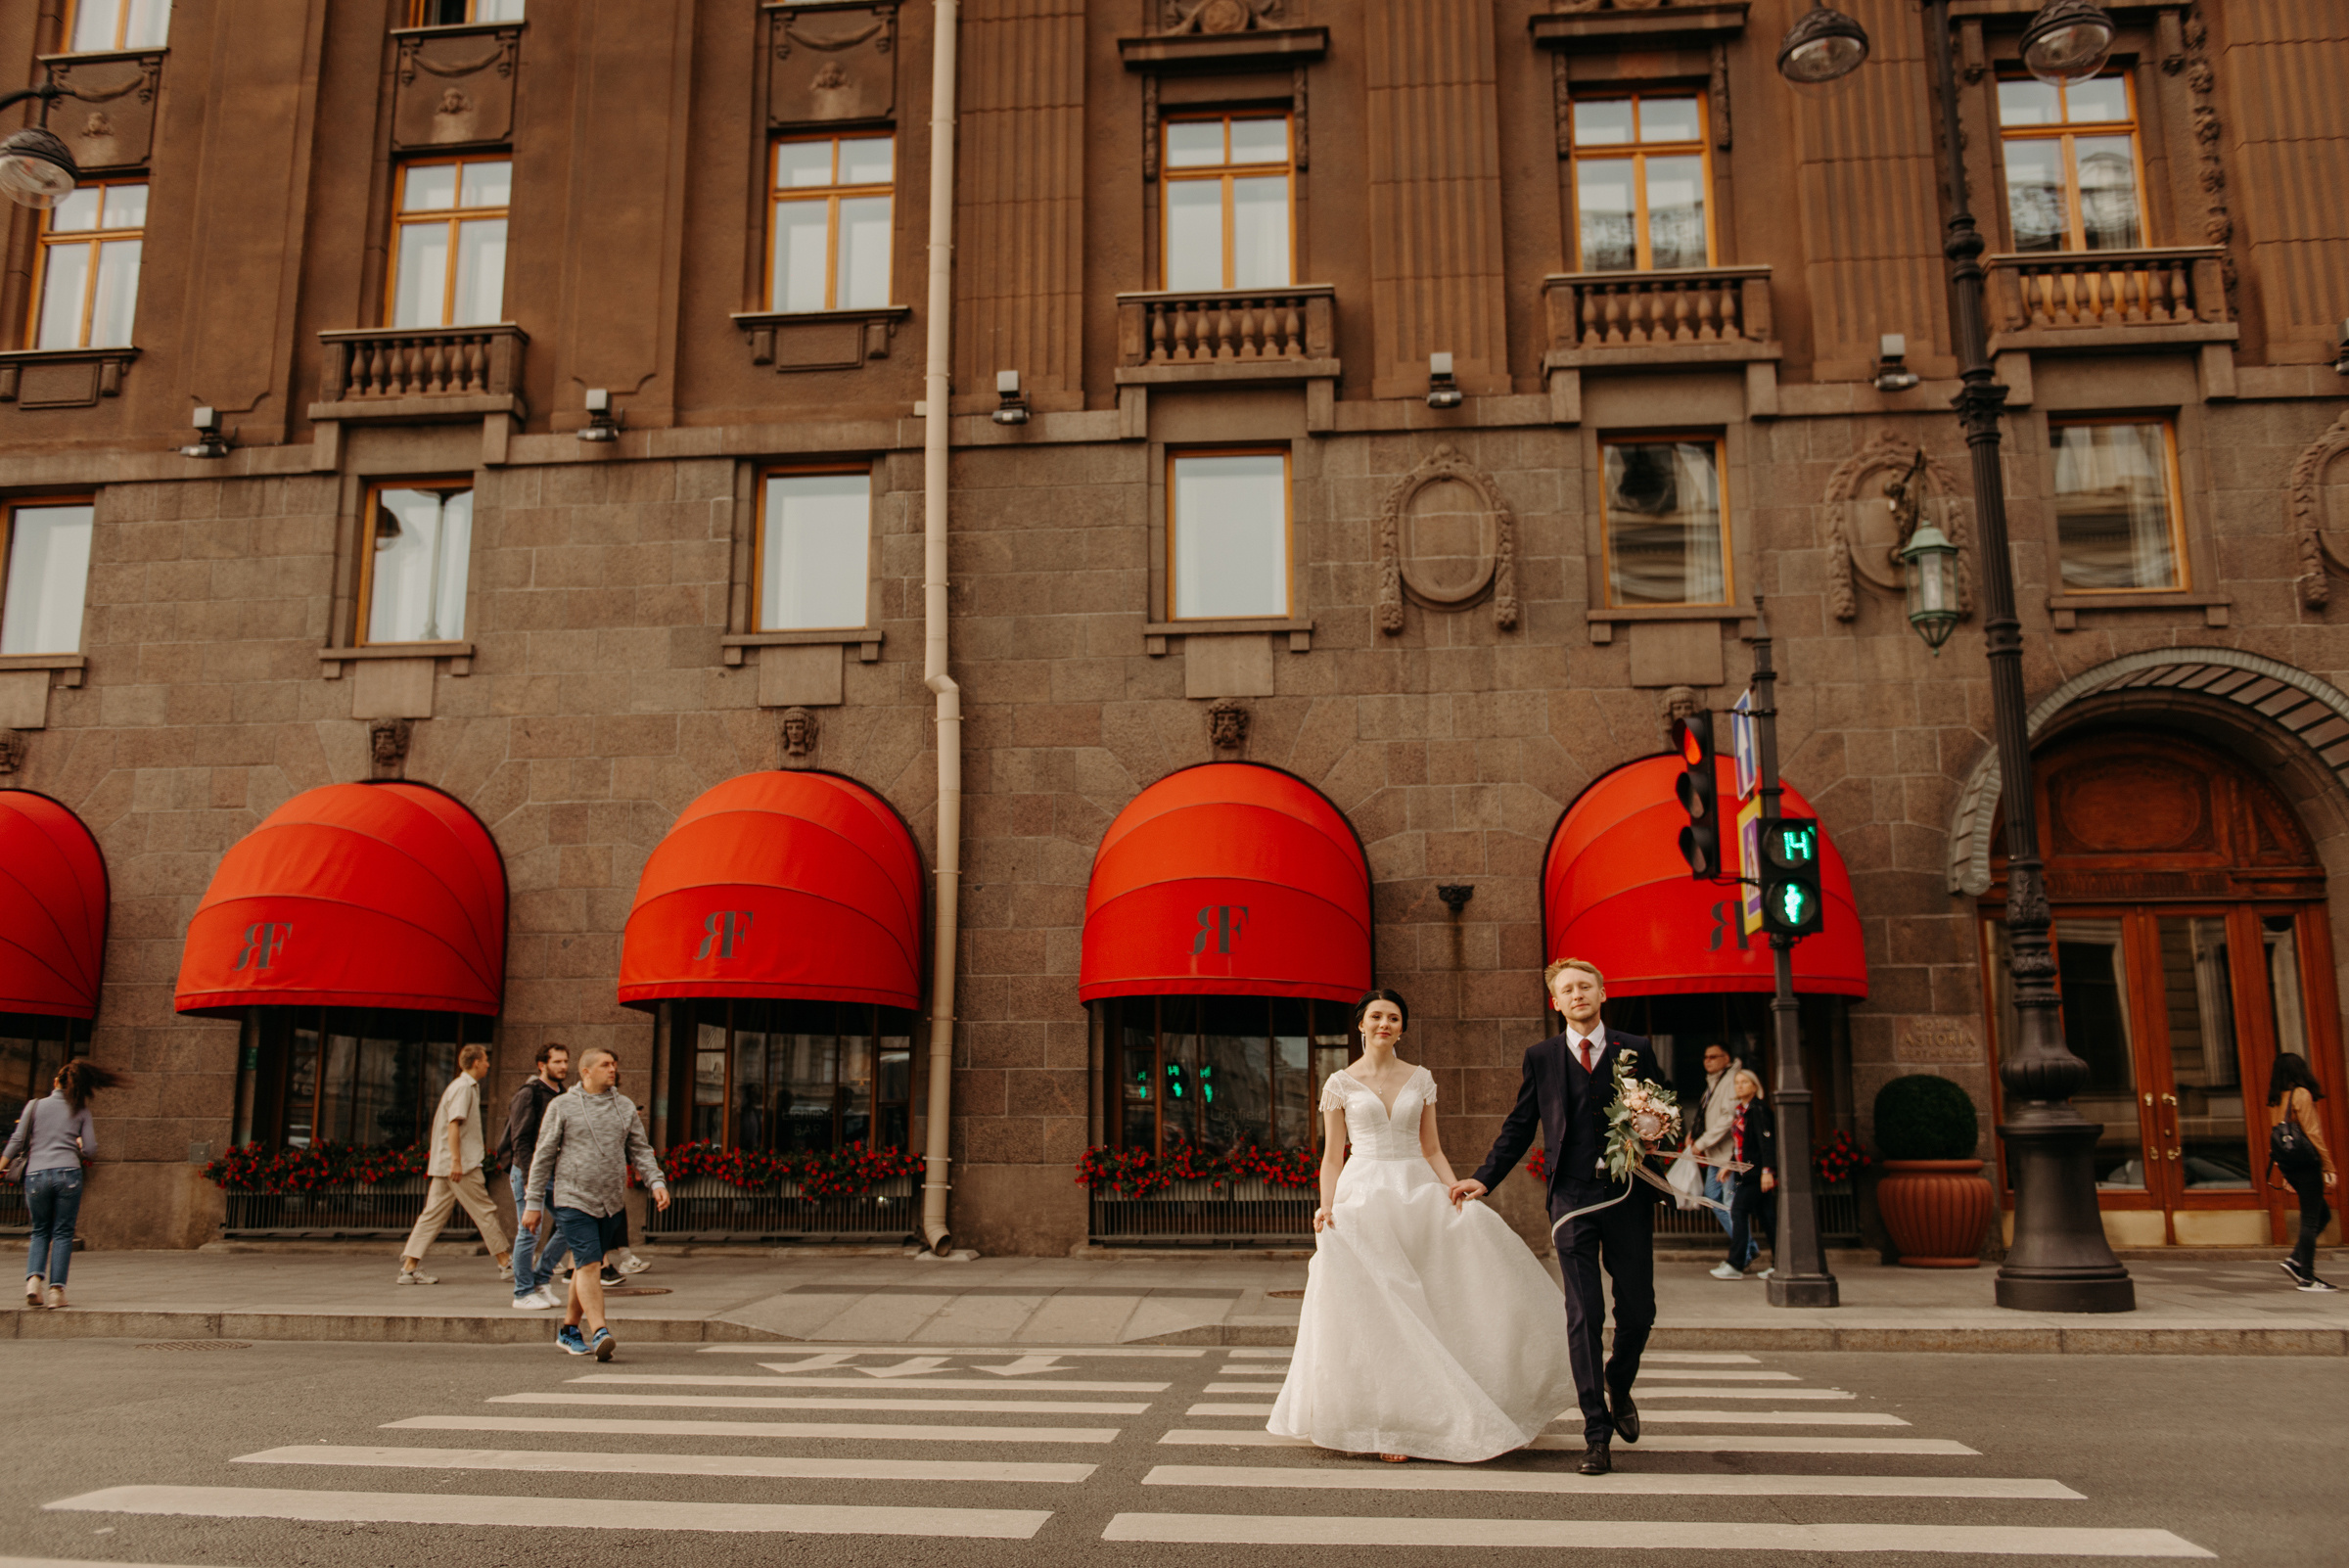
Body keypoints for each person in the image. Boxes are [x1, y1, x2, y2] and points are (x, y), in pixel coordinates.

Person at [1266, 990, 1578, 1464]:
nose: (1385, 1024)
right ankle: (1389, 1420)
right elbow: (1332, 1157)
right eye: (1377, 1016)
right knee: (1381, 1307)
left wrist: (1454, 1189)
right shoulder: (1339, 1083)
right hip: (1364, 1194)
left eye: (1393, 1017)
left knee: (1430, 1299)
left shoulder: (1422, 1078)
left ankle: (1434, 1411)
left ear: (1402, 1028)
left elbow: (1431, 1148)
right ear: (1361, 1025)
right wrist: (1326, 1207)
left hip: (1416, 1190)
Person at [1450, 958, 1663, 1477]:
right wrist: (1485, 1176)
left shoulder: (1635, 1049)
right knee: (1583, 1314)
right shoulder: (1542, 1057)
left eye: (1585, 986)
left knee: (1637, 1311)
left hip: (1627, 1194)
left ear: (1602, 992)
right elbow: (1521, 1123)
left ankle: (1620, 1379)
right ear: (1556, 1002)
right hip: (1570, 1199)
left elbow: (1665, 1108)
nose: (1576, 995)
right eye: (1566, 989)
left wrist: (1657, 1129)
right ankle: (1596, 1434)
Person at [523, 1045, 670, 1360]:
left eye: (614, 1064)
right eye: (605, 1065)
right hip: (572, 1199)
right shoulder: (563, 1106)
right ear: (586, 1071)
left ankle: (569, 1330)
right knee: (590, 1264)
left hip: (611, 1201)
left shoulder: (625, 1106)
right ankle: (601, 1330)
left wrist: (655, 1181)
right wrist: (533, 1202)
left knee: (582, 1265)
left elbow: (640, 1149)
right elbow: (543, 1156)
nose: (612, 1069)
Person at [5, 1060, 127, 1310]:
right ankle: (56, 1292)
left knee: (40, 1230)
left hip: (36, 1175)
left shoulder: (35, 1105)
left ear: (56, 1082)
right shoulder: (81, 1110)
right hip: (68, 1174)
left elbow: (18, 1139)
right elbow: (91, 1149)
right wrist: (78, 1144)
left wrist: (2, 1164)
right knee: (62, 1232)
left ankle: (33, 1281)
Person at [399, 1043, 513, 1286]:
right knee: (485, 1211)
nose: (488, 1065)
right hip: (461, 1166)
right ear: (475, 1063)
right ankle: (505, 1263)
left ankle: (409, 1268)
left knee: (431, 1216)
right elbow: (454, 1125)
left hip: (447, 1164)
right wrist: (457, 1162)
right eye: (485, 1060)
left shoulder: (461, 1086)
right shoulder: (463, 1088)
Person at [499, 1041, 572, 1310]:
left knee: (569, 1224)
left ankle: (541, 1280)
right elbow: (520, 1140)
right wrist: (531, 1178)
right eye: (557, 1062)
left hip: (553, 1172)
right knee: (529, 1230)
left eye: (565, 1061)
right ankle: (522, 1292)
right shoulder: (528, 1094)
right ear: (542, 1065)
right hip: (528, 1172)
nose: (563, 1066)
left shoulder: (562, 1095)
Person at [2267, 1053, 2338, 1292]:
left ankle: (2296, 1260)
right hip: (2307, 1164)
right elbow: (2313, 1133)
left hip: (2289, 1165)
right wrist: (2328, 1166)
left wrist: (2286, 1175)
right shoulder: (2301, 1094)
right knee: (2311, 1218)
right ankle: (2307, 1277)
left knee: (2323, 1213)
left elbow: (2279, 1139)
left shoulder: (2276, 1099)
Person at [1712, 1068, 1776, 1280]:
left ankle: (1736, 1263)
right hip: (1747, 1173)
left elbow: (1766, 1142)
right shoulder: (1743, 1110)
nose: (1739, 1086)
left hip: (1755, 1174)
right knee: (1768, 1218)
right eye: (1737, 1082)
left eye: (1745, 1082)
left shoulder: (1758, 1110)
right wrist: (1729, 1165)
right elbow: (1741, 1144)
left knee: (1738, 1211)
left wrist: (1768, 1171)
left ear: (1755, 1086)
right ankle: (1781, 1262)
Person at [1690, 1042, 1738, 1235]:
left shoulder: (1731, 1079)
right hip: (1714, 1154)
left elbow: (1728, 1118)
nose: (1708, 1061)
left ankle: (1743, 1251)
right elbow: (1705, 1114)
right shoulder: (1714, 1081)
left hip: (1727, 1153)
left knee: (1728, 1203)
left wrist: (1701, 1142)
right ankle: (1746, 1248)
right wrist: (1693, 1136)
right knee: (1712, 1198)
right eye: (1705, 1057)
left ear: (1726, 1058)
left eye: (1713, 1057)